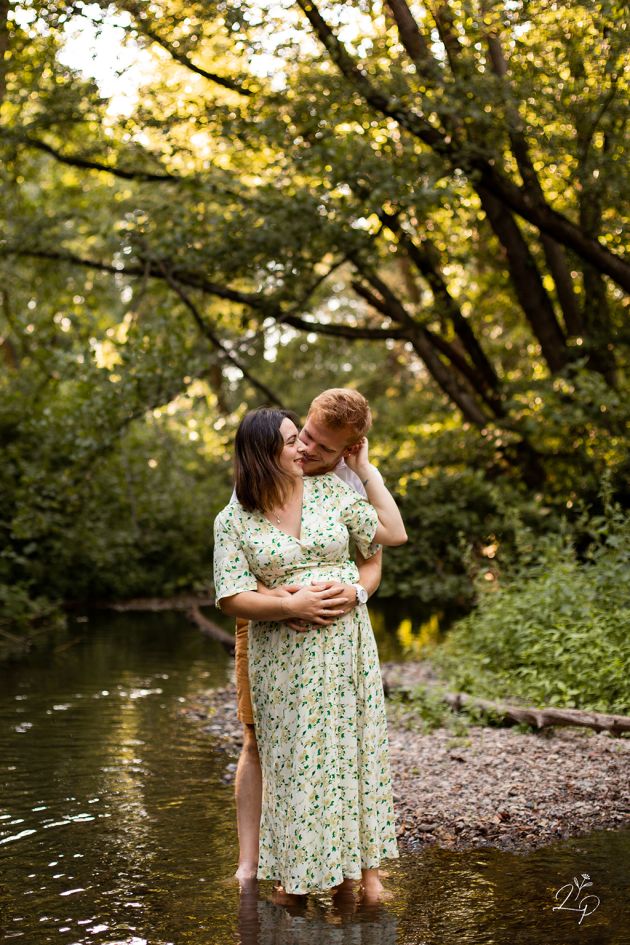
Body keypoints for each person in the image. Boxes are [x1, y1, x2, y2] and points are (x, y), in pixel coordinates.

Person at [213, 403, 407, 897]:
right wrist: (285, 603)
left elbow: (388, 541)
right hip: (275, 645)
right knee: (277, 751)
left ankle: (354, 872)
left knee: (346, 749)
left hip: (344, 646)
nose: (305, 448)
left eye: (311, 441)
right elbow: (230, 594)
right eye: (295, 439)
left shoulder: (335, 487)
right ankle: (275, 871)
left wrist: (365, 470)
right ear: (262, 452)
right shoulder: (234, 517)